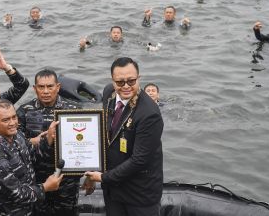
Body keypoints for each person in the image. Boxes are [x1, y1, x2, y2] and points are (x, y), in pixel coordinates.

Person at [84, 57, 163, 216]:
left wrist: (103, 177)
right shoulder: (108, 93)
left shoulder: (150, 114)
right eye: (120, 82)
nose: (126, 86)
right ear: (112, 81)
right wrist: (92, 172)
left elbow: (139, 160)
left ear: (138, 78)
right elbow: (103, 136)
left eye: (131, 81)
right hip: (113, 190)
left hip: (139, 194)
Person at [17, 69, 81, 215]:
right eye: (41, 87)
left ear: (58, 87)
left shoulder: (73, 109)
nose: (46, 91)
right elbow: (15, 144)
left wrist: (89, 175)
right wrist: (35, 141)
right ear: (35, 88)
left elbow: (85, 143)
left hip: (67, 179)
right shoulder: (24, 111)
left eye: (50, 86)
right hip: (37, 177)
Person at [0, 99, 63, 216]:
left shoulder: (17, 135)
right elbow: (18, 194)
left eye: (14, 117)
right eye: (6, 120)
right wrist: (45, 187)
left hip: (29, 209)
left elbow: (33, 155)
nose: (12, 123)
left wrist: (48, 140)